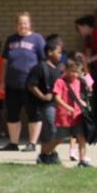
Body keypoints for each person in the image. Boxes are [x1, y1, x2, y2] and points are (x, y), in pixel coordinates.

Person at [25, 37, 64, 165]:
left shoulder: (57, 68)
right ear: (49, 52)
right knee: (51, 129)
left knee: (52, 130)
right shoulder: (40, 67)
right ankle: (46, 154)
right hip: (46, 105)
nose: (61, 55)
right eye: (59, 52)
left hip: (56, 104)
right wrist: (42, 96)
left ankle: (47, 154)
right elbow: (31, 85)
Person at [51, 58, 91, 167]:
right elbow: (57, 98)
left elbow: (77, 96)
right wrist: (67, 107)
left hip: (77, 115)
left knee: (81, 137)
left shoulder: (78, 82)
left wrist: (82, 103)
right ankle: (48, 152)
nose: (74, 74)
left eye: (77, 72)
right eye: (72, 71)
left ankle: (82, 160)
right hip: (64, 116)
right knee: (59, 139)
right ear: (66, 70)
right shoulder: (60, 82)